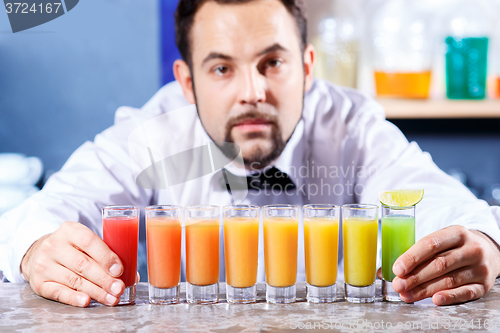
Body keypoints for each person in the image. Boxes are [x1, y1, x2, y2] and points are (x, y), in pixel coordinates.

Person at [1, 0, 499, 308]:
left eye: (273, 62)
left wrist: (482, 242)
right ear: (187, 83)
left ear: (306, 67)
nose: (253, 91)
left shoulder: (351, 126)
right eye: (222, 69)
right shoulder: (153, 132)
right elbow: (46, 211)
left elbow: (444, 203)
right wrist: (37, 248)